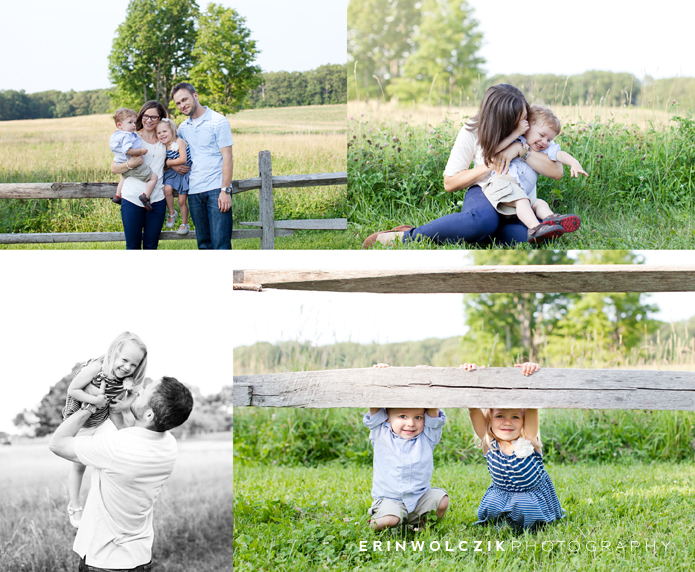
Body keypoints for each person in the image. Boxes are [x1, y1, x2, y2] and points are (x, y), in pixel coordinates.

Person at [362, 84, 564, 248]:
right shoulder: (472, 132)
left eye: (523, 118)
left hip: (519, 201)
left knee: (526, 239)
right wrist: (490, 165)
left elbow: (556, 171)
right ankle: (406, 236)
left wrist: (521, 149)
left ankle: (475, 234)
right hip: (485, 191)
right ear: (497, 120)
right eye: (514, 121)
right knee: (482, 221)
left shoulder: (531, 133)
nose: (521, 124)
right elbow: (450, 183)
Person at [49, 374, 194, 572]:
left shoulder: (115, 447)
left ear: (149, 415)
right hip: (139, 556)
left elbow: (57, 443)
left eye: (145, 392)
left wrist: (90, 407)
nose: (140, 391)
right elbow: (133, 439)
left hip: (104, 560)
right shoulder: (169, 445)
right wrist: (117, 415)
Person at [61, 332, 148, 528]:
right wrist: (95, 400)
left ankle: (105, 504)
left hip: (103, 420)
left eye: (134, 364)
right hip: (83, 422)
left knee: (112, 454)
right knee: (79, 465)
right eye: (125, 360)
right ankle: (74, 505)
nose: (127, 367)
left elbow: (136, 393)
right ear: (113, 353)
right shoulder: (96, 368)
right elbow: (72, 390)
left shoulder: (129, 378)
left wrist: (125, 404)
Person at [464, 362, 565, 529]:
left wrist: (529, 376)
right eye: (500, 416)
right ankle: (505, 519)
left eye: (516, 417)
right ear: (489, 420)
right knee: (494, 515)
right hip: (500, 495)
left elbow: (532, 405)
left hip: (530, 497)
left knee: (526, 508)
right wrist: (473, 376)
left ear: (524, 421)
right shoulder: (489, 443)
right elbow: (473, 408)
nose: (507, 422)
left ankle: (527, 522)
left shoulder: (529, 440)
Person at [482, 105, 588, 243]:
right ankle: (535, 228)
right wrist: (517, 132)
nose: (544, 142)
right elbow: (495, 148)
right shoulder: (518, 139)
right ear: (527, 128)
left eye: (549, 139)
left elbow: (559, 154)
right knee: (523, 201)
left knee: (539, 203)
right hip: (501, 184)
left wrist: (573, 162)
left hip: (518, 193)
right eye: (541, 135)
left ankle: (552, 219)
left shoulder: (543, 149)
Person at [364, 365, 449, 531]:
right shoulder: (381, 432)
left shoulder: (427, 437)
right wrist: (382, 375)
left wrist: (427, 376)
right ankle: (374, 521)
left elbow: (433, 408)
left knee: (442, 500)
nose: (411, 423)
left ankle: (419, 526)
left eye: (418, 417)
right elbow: (374, 401)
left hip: (418, 500)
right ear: (387, 417)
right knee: (390, 520)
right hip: (390, 501)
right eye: (402, 416)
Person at [172, 82, 233, 249]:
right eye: (178, 103)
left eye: (185, 99)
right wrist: (173, 166)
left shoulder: (218, 121)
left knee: (221, 244)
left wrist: (225, 191)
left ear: (195, 96)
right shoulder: (183, 128)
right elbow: (175, 154)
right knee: (204, 245)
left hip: (216, 190)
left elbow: (227, 157)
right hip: (194, 192)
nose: (182, 105)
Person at [110, 101, 168, 250]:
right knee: (133, 247)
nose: (149, 120)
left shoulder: (164, 139)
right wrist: (130, 164)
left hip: (157, 199)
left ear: (160, 119)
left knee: (151, 246)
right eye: (146, 116)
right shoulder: (131, 137)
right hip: (131, 197)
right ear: (141, 116)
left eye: (154, 117)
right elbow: (114, 167)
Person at [109, 108, 158, 211]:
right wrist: (140, 151)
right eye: (130, 122)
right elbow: (127, 150)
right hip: (134, 166)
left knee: (124, 178)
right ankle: (145, 197)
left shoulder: (116, 135)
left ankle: (118, 196)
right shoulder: (127, 136)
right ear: (119, 125)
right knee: (153, 177)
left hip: (122, 164)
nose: (133, 125)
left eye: (134, 122)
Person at [157, 118, 192, 235]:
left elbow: (183, 159)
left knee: (182, 201)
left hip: (185, 173)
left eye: (164, 131)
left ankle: (185, 224)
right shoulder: (163, 146)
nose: (162, 135)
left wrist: (168, 163)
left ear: (172, 130)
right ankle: (172, 213)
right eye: (159, 133)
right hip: (172, 173)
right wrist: (167, 164)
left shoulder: (179, 141)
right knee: (167, 189)